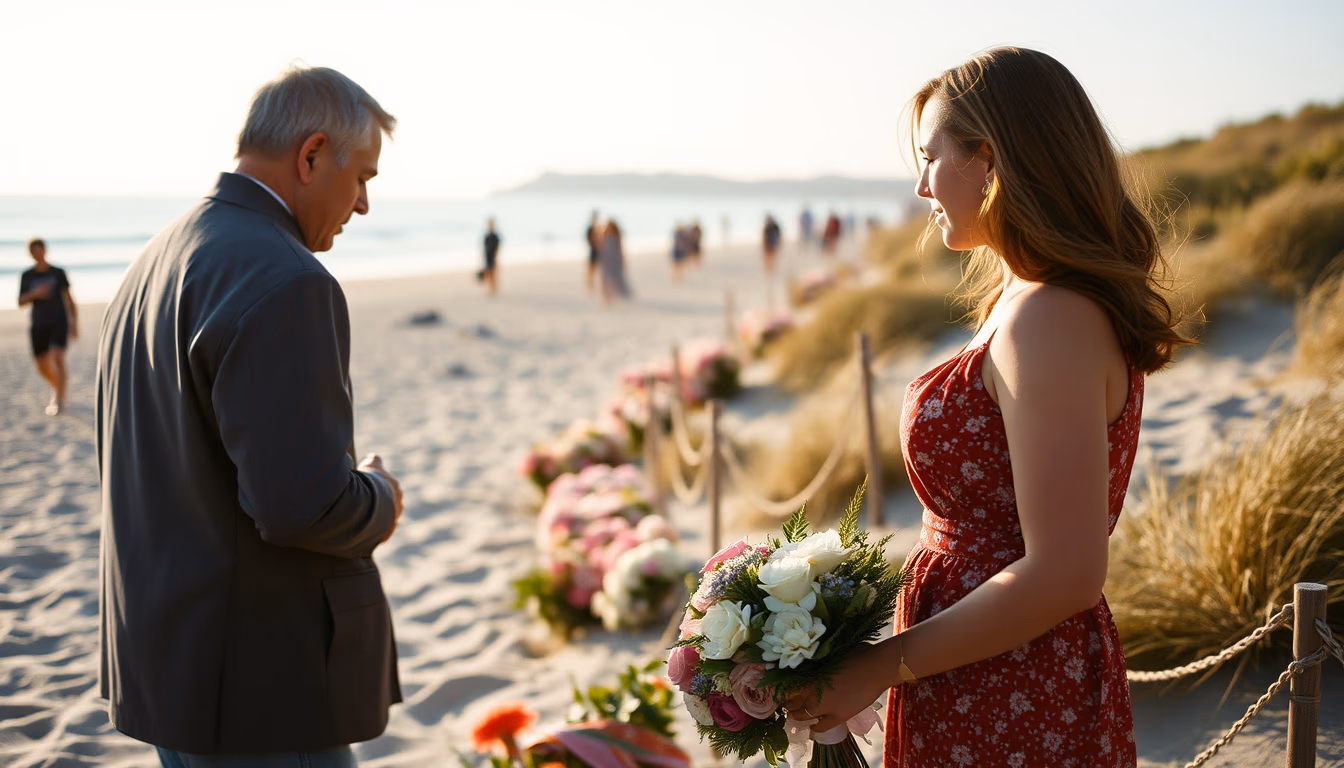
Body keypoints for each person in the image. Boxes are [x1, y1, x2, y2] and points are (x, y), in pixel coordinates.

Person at [783, 47, 1190, 766]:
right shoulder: (1024, 300)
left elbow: (1065, 570)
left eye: (931, 156)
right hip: (974, 665)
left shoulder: (1050, 318)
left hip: (1013, 689)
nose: (919, 185)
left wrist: (878, 667)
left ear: (991, 160)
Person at [96, 65, 405, 767]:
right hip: (259, 689)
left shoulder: (155, 259)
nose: (361, 205)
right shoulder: (286, 279)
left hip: (170, 667)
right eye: (362, 178)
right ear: (312, 154)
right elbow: (301, 506)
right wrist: (380, 499)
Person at [17, 238, 77, 416]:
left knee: (57, 357)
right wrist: (35, 293)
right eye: (33, 251)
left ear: (45, 250)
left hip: (59, 321)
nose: (38, 254)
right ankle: (56, 386)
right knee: (41, 364)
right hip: (39, 323)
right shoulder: (27, 275)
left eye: (40, 250)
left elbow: (69, 299)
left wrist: (74, 323)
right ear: (30, 254)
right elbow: (20, 301)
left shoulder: (58, 273)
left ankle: (59, 398)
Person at [597, 219, 632, 304]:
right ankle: (606, 299)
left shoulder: (616, 236)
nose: (609, 227)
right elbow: (600, 247)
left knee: (618, 279)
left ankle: (625, 296)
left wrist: (621, 260)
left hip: (614, 260)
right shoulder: (604, 235)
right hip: (606, 260)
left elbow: (619, 249)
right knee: (605, 279)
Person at [480, 218, 500, 296]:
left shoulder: (495, 236)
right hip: (487, 256)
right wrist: (482, 257)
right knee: (488, 274)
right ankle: (490, 289)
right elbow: (484, 247)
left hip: (493, 257)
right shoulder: (487, 236)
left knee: (493, 274)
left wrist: (496, 257)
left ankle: (494, 289)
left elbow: (498, 247)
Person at [585, 210, 601, 292]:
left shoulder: (598, 227)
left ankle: (593, 284)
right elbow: (588, 238)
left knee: (597, 269)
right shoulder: (591, 228)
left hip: (598, 251)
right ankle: (590, 284)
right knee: (591, 269)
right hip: (593, 251)